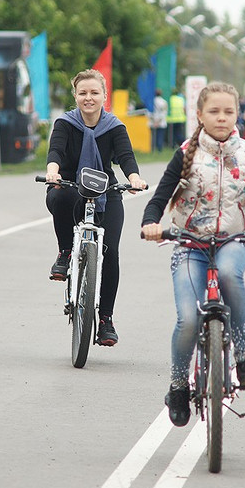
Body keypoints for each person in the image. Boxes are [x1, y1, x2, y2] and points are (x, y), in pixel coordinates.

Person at [141, 81, 245, 427]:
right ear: (200, 115)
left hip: (233, 239)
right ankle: (178, 385)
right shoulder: (186, 152)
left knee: (231, 275)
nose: (222, 118)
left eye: (228, 112)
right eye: (214, 112)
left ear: (238, 114)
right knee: (188, 318)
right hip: (189, 243)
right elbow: (160, 196)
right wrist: (151, 222)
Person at [44, 68, 147, 346]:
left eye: (94, 93)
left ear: (104, 96)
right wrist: (53, 171)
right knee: (60, 197)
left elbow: (126, 157)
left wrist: (134, 179)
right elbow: (56, 151)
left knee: (110, 251)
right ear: (75, 96)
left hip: (105, 191)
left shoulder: (114, 127)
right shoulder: (65, 123)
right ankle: (66, 252)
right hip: (68, 186)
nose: (88, 98)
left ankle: (105, 320)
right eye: (82, 93)